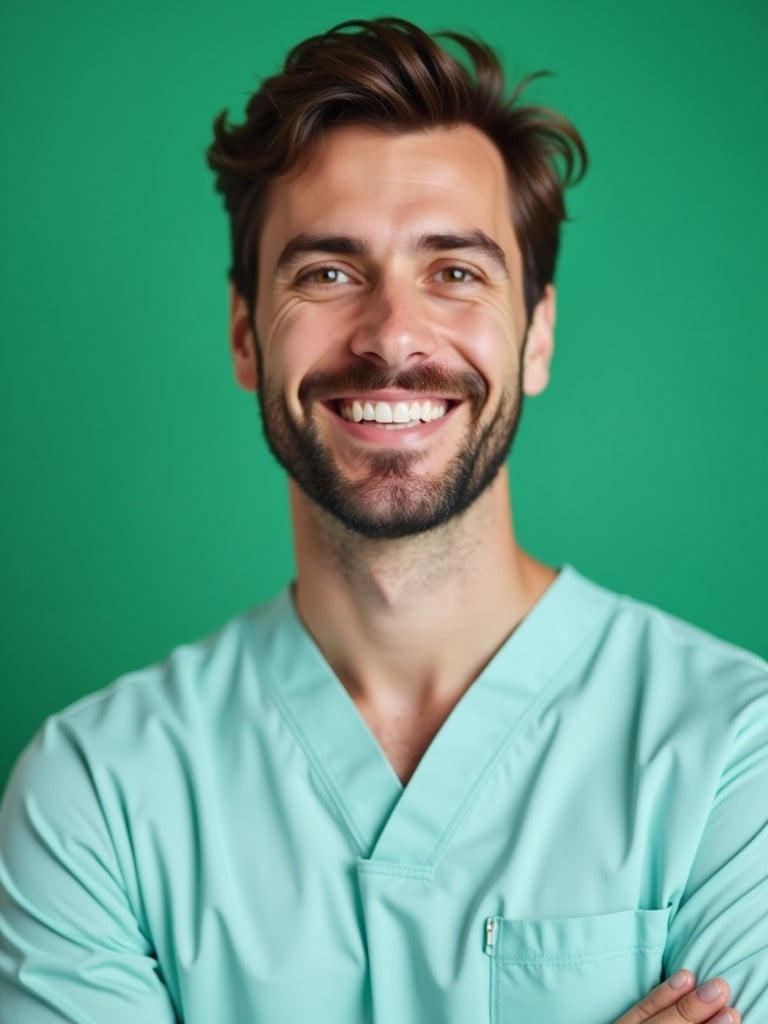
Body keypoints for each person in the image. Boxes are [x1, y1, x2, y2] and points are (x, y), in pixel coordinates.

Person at [0, 17, 764, 1024]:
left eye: (455, 271)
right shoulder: (94, 797)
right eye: (328, 272)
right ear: (244, 337)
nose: (394, 333)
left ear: (536, 336)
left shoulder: (732, 757)